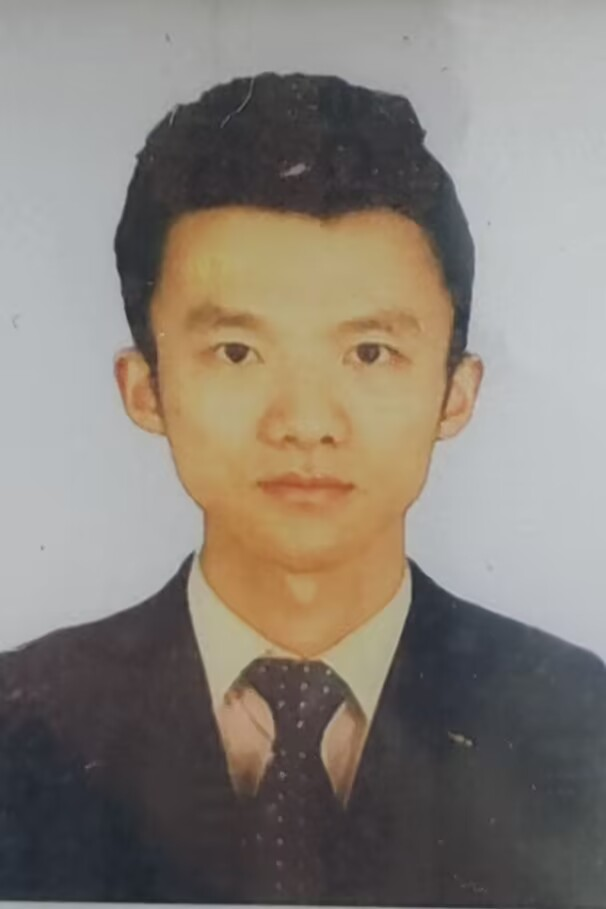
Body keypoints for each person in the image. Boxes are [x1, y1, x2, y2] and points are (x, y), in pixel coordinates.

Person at [0, 72, 605, 908]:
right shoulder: (23, 722)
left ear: (456, 394)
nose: (306, 423)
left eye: (369, 353)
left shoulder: (582, 720)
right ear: (144, 388)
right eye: (238, 353)